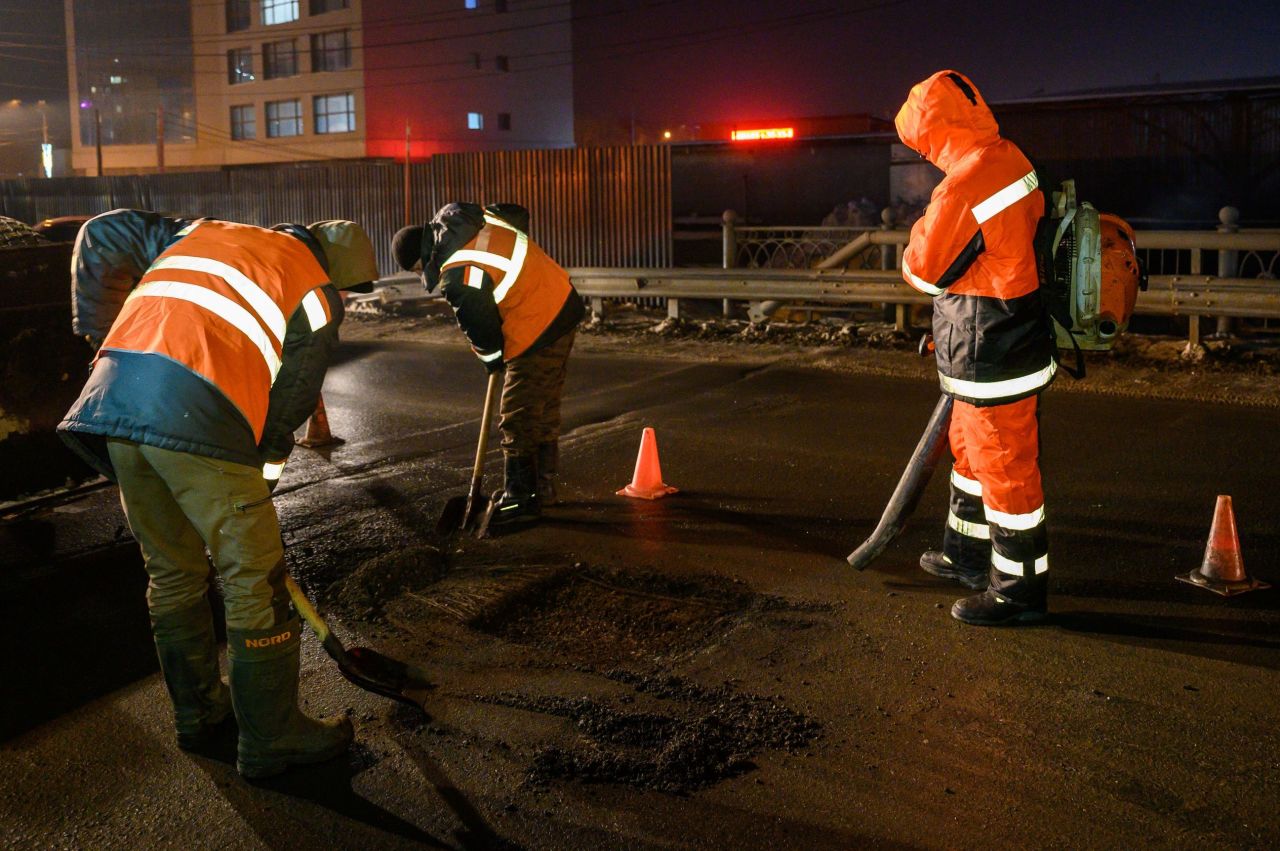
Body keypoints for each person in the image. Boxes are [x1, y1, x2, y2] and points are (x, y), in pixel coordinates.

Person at [58, 209, 378, 777]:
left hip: (110, 403)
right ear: (335, 269)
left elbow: (103, 231)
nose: (344, 297)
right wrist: (263, 478)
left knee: (173, 573)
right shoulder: (316, 293)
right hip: (197, 417)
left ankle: (200, 714)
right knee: (254, 579)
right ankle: (271, 739)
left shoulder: (206, 232)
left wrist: (99, 333)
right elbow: (287, 410)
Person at [894, 71, 1056, 626]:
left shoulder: (966, 183)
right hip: (1004, 337)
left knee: (1004, 465)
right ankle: (964, 554)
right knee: (970, 454)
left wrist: (915, 236)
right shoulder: (1008, 157)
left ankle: (1018, 590)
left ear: (934, 132)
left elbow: (926, 268)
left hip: (991, 346)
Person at [391, 203, 583, 527]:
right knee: (542, 405)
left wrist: (492, 360)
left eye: (414, 271)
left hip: (537, 325)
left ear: (419, 261)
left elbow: (481, 329)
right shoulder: (473, 219)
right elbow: (518, 214)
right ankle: (543, 487)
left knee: (518, 415)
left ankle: (521, 499)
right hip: (562, 302)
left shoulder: (457, 272)